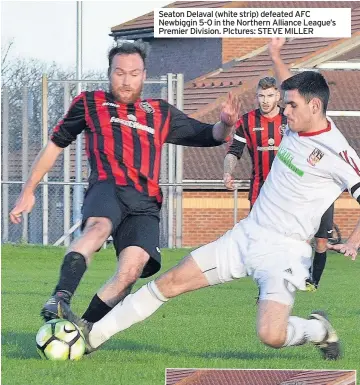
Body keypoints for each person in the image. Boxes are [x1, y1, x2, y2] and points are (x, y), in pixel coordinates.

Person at [58, 38, 360, 360]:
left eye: (291, 106)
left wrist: (354, 241)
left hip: (285, 252)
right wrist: (274, 54)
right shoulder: (296, 121)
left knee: (271, 334)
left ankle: (318, 330)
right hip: (248, 233)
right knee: (168, 283)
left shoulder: (337, 152)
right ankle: (90, 338)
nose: (283, 111)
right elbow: (292, 87)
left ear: (314, 107)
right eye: (283, 104)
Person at [9, 41, 240, 323]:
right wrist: (28, 190)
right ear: (109, 73)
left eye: (134, 73)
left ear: (144, 75)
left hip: (145, 203)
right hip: (108, 187)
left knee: (131, 271)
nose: (126, 80)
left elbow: (209, 135)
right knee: (97, 229)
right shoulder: (90, 103)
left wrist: (226, 123)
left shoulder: (160, 112)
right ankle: (59, 298)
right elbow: (54, 145)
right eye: (120, 73)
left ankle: (84, 330)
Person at [223, 76, 335, 290]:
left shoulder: (292, 119)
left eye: (270, 95)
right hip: (261, 191)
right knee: (264, 242)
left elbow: (316, 144)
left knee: (305, 240)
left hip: (293, 191)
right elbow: (233, 153)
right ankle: (272, 285)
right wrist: (228, 173)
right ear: (256, 97)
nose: (265, 100)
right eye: (261, 96)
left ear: (278, 96)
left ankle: (306, 281)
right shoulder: (246, 122)